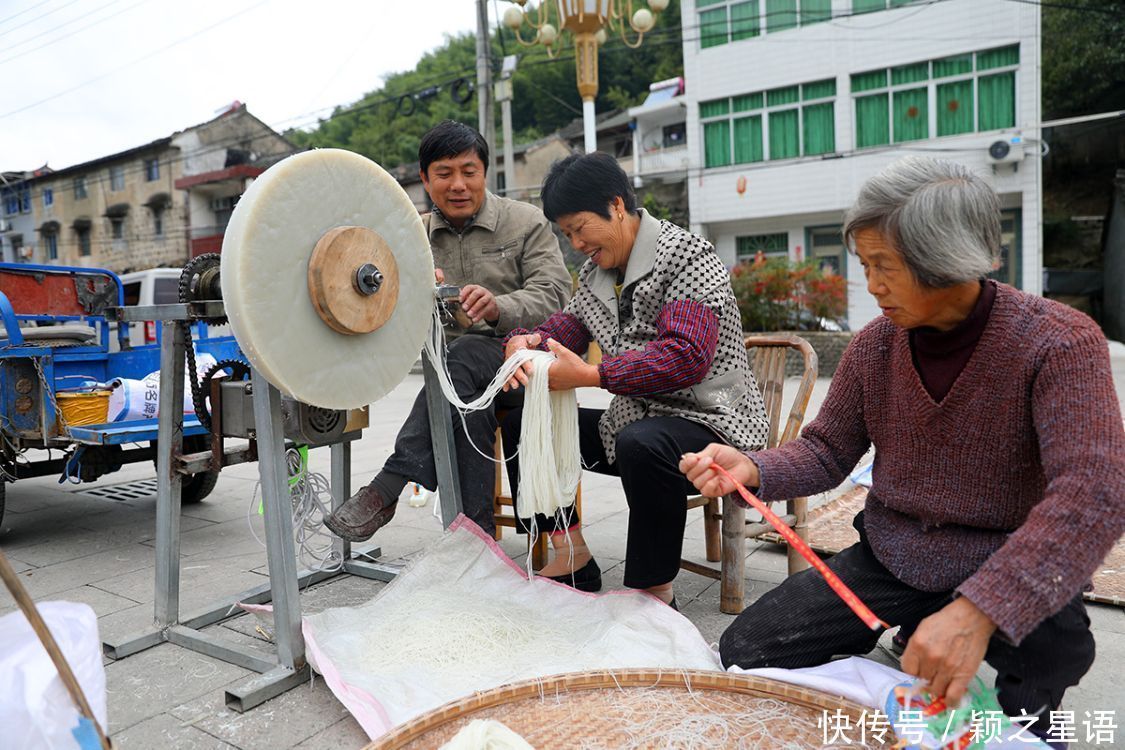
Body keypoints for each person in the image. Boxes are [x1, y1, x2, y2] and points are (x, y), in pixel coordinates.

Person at [680, 156, 1125, 740]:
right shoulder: (876, 347)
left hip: (1004, 555)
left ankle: (1013, 700)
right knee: (749, 648)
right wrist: (755, 467)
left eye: (885, 266)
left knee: (1051, 659)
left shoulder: (1057, 343)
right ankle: (912, 633)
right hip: (894, 554)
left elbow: (1097, 490)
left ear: (945, 258)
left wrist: (978, 611)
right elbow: (826, 451)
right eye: (866, 264)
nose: (871, 285)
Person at [501, 152, 769, 601]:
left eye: (580, 228)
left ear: (616, 205)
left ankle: (654, 589)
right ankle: (572, 555)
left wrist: (590, 375)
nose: (576, 244)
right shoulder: (595, 274)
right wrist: (525, 342)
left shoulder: (688, 257)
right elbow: (563, 330)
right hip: (633, 423)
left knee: (642, 443)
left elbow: (685, 356)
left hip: (713, 426)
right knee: (523, 426)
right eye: (566, 234)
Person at [325, 120, 572, 541]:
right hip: (456, 379)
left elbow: (556, 294)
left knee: (468, 354)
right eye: (444, 173)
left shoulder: (525, 221)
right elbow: (385, 308)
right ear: (425, 178)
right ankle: (477, 544)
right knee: (467, 403)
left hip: (523, 364)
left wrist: (499, 307)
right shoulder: (411, 236)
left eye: (468, 172)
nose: (458, 184)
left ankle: (388, 485)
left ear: (485, 173)